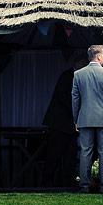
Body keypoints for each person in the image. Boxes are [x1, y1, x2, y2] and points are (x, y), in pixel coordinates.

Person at [71, 44, 103, 194]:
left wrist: (76, 119)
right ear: (98, 56)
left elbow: (75, 99)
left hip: (84, 118)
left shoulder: (78, 74)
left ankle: (84, 186)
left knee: (85, 152)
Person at [42, 53, 87, 188]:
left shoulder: (72, 76)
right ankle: (47, 182)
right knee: (54, 155)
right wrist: (79, 112)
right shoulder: (68, 76)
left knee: (70, 154)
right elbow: (65, 99)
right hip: (59, 124)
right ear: (79, 64)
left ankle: (69, 182)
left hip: (68, 125)